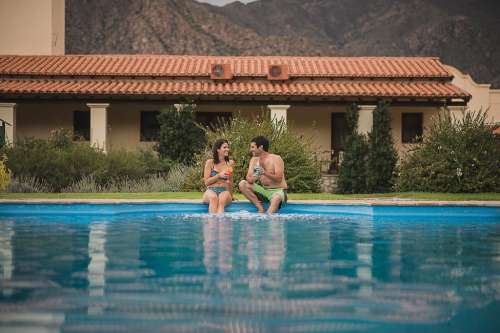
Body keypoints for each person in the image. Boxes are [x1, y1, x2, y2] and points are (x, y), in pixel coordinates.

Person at [239, 136, 288, 214]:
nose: (250, 149)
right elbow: (249, 179)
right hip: (264, 191)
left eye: (253, 147)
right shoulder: (254, 160)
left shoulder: (276, 158)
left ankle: (267, 219)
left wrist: (264, 172)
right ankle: (260, 208)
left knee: (276, 198)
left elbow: (279, 179)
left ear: (261, 147)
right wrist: (255, 176)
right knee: (242, 184)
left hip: (278, 191)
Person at [202, 139, 235, 214]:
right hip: (211, 190)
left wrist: (231, 195)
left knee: (222, 200)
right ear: (218, 149)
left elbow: (230, 180)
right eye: (224, 147)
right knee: (213, 198)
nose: (227, 149)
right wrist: (219, 176)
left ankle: (220, 224)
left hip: (224, 191)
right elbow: (206, 182)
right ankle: (212, 224)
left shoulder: (230, 163)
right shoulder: (210, 163)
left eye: (228, 147)